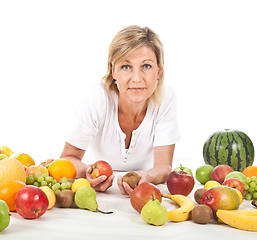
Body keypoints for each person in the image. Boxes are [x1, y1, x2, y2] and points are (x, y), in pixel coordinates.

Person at [60, 25, 180, 195]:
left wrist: (149, 177)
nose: (137, 79)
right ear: (113, 71)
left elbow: (164, 166)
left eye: (146, 66)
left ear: (159, 71)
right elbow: (67, 158)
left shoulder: (166, 98)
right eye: (126, 67)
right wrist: (88, 174)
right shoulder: (98, 98)